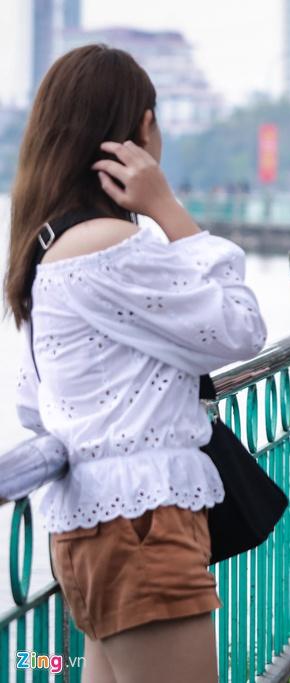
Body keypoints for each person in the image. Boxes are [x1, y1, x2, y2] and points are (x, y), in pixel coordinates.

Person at [5, 45, 267, 683]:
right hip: (142, 525)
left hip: (94, 527)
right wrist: (170, 211)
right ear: (141, 128)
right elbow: (240, 328)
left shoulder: (47, 246)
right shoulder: (109, 245)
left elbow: (29, 404)